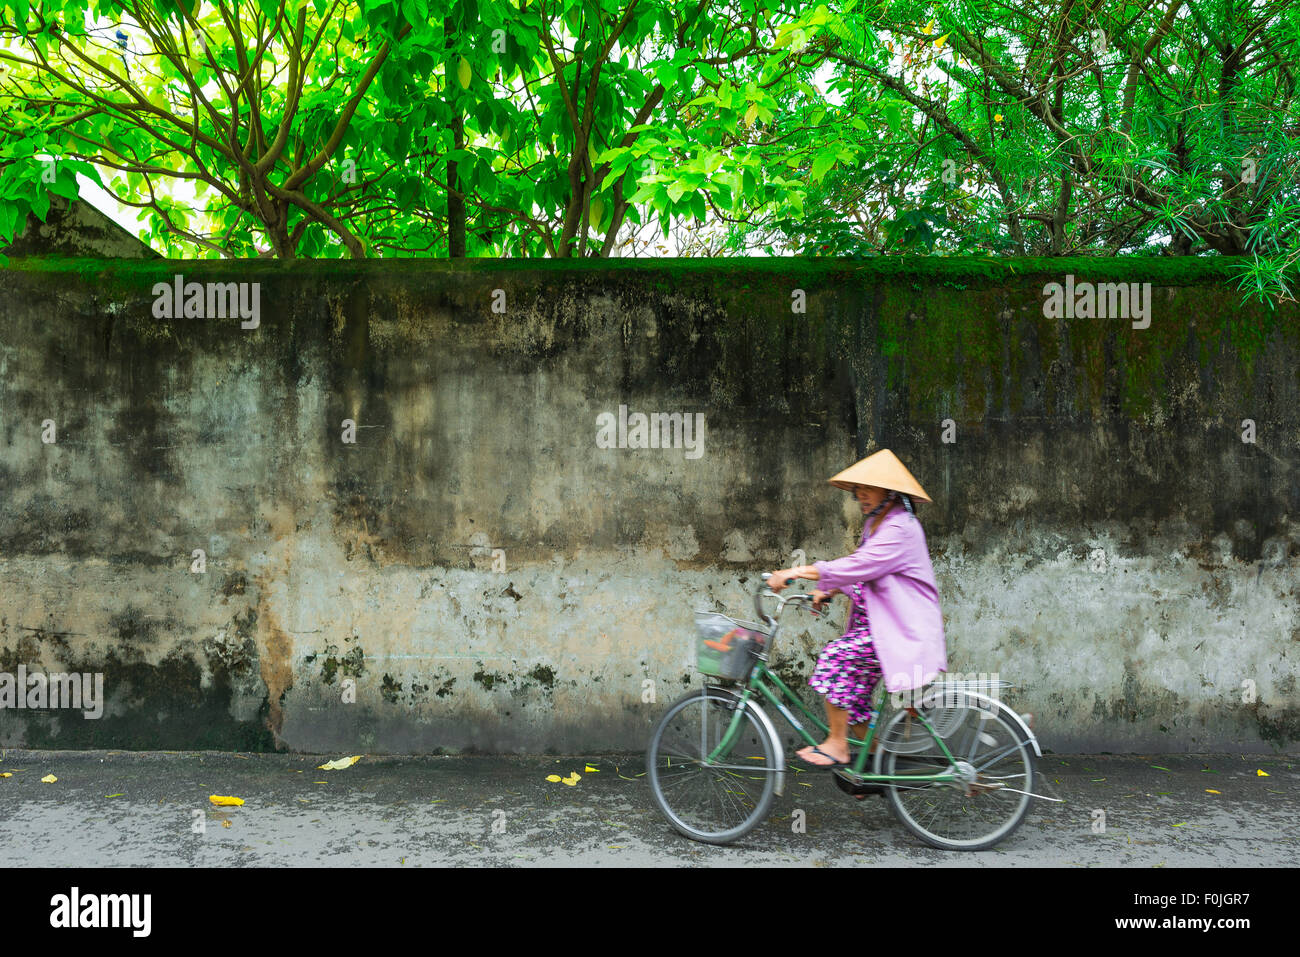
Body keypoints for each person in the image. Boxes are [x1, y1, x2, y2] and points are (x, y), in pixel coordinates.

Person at [767, 448, 947, 769]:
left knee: (834, 658)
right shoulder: (876, 524)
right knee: (857, 699)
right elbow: (867, 576)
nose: (860, 494)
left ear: (890, 491)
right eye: (857, 489)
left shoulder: (900, 528)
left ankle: (837, 745)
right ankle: (873, 764)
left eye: (868, 487)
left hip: (896, 631)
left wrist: (795, 571)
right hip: (875, 628)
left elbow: (860, 564)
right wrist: (830, 589)